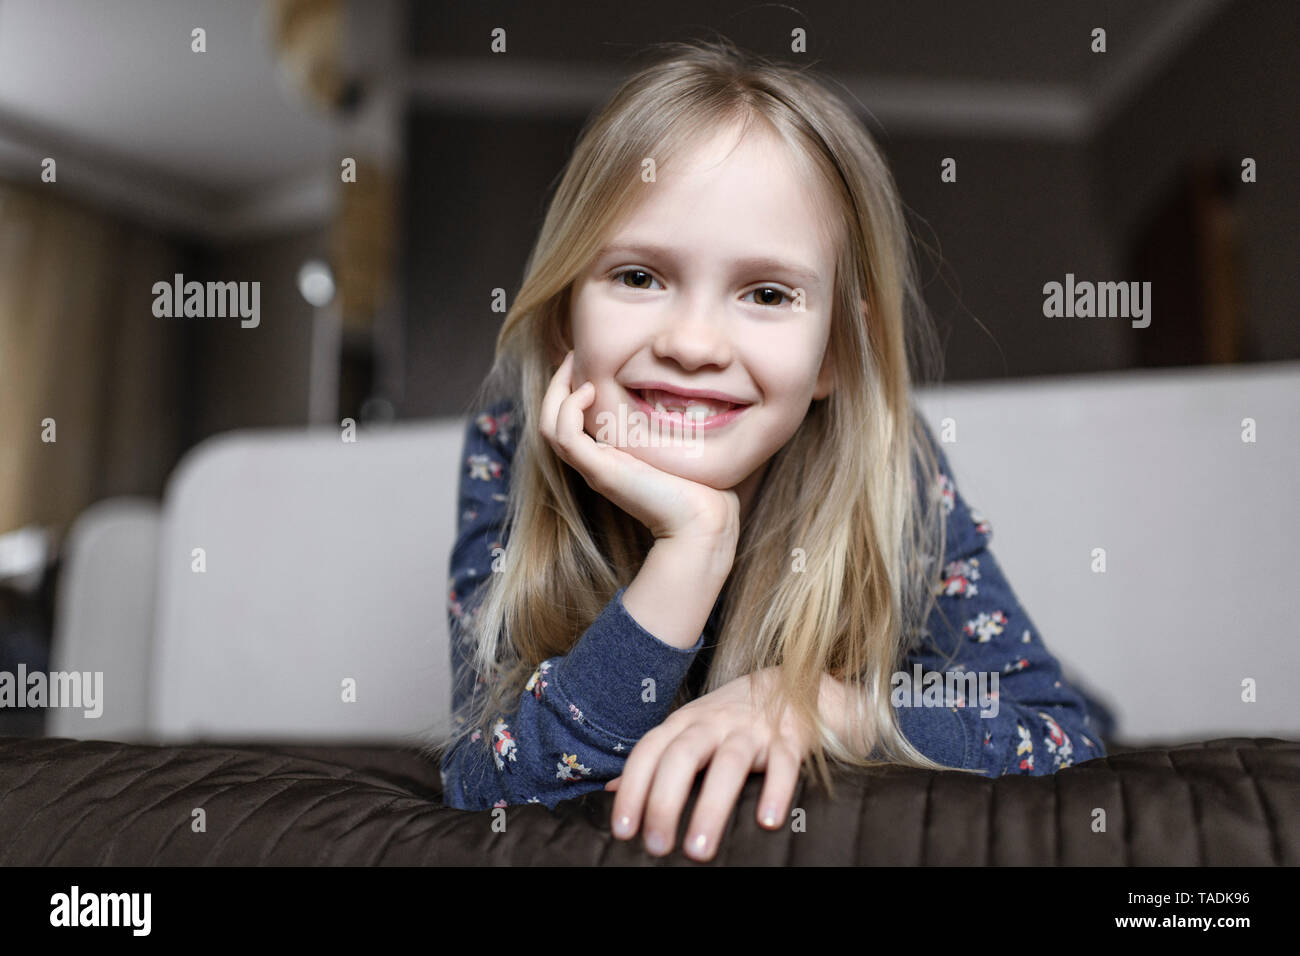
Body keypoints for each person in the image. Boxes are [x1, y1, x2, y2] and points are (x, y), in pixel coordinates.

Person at [422, 37, 1115, 862]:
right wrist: (692, 548)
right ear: (564, 312)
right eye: (639, 276)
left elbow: (1061, 735)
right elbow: (488, 783)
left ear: (831, 356)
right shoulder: (509, 444)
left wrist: (814, 705)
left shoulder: (895, 464)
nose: (693, 342)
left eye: (767, 293)